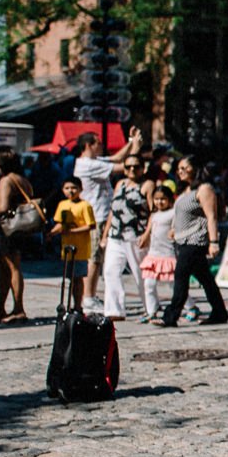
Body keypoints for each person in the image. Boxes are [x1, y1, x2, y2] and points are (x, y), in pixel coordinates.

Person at [154, 158, 228, 328]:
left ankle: (171, 316)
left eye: (184, 168)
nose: (180, 172)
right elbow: (181, 214)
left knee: (180, 276)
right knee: (206, 279)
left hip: (196, 240)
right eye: (178, 169)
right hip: (183, 239)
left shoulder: (204, 189)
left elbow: (211, 216)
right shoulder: (185, 191)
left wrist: (214, 242)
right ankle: (219, 311)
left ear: (194, 169)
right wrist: (174, 229)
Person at [72, 127, 143, 305]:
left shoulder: (94, 160)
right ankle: (88, 297)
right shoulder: (87, 164)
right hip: (97, 215)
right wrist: (136, 147)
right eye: (99, 143)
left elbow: (117, 158)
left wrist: (130, 141)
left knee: (98, 257)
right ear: (88, 145)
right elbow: (125, 166)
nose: (102, 146)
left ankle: (91, 295)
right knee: (94, 258)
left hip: (100, 214)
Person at [0, 148, 37, 325]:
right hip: (19, 229)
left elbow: (3, 207)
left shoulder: (7, 180)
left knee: (12, 268)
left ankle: (18, 308)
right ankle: (1, 307)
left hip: (7, 229)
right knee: (7, 268)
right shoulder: (23, 179)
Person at [100, 155, 150, 320]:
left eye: (136, 167)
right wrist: (105, 234)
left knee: (140, 273)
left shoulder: (147, 185)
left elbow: (153, 212)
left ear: (143, 168)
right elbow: (113, 210)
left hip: (135, 235)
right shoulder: (120, 184)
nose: (132, 170)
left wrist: (147, 233)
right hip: (116, 235)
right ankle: (114, 310)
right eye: (128, 167)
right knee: (110, 271)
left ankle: (150, 307)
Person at [48, 176, 96, 312]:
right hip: (66, 249)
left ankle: (77, 305)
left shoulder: (85, 205)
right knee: (69, 279)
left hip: (80, 249)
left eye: (74, 188)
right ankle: (68, 305)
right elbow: (60, 224)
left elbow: (91, 225)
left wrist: (73, 231)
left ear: (81, 189)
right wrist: (51, 233)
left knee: (78, 278)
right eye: (67, 188)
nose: (71, 191)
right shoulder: (62, 205)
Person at [137, 185, 177, 322]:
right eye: (156, 199)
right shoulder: (154, 215)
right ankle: (151, 310)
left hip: (168, 253)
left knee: (173, 284)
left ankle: (190, 306)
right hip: (153, 254)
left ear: (170, 199)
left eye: (163, 199)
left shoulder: (173, 213)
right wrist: (144, 238)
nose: (159, 202)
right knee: (149, 284)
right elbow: (148, 230)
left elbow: (176, 228)